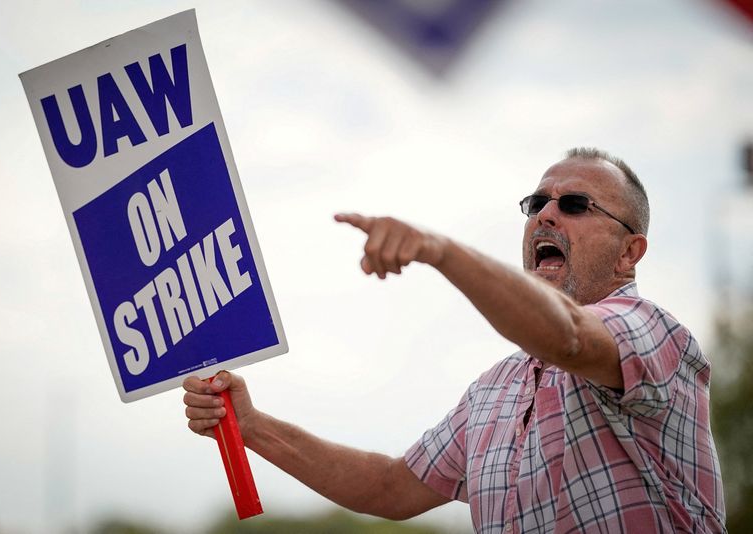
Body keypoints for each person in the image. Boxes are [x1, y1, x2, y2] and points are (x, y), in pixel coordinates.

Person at [182, 148, 726, 533]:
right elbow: (389, 488)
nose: (547, 214)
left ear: (630, 253)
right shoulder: (495, 391)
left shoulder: (656, 333)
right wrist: (251, 425)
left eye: (575, 205)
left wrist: (439, 250)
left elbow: (570, 337)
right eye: (536, 203)